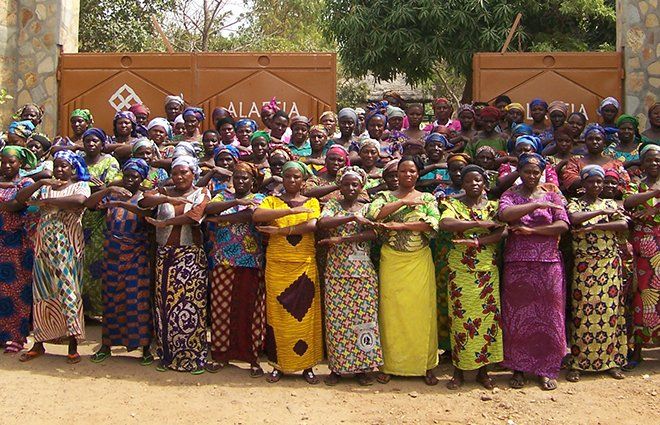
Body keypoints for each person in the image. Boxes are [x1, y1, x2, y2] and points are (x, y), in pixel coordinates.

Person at [366, 156, 441, 385]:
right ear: (396, 174)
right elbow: (374, 215)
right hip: (392, 260)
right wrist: (403, 204)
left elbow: (433, 223)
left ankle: (425, 365)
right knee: (391, 312)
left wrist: (400, 225)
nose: (408, 175)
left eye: (412, 171)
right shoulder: (384, 197)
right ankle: (389, 364)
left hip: (419, 259)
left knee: (421, 312)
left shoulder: (427, 198)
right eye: (403, 171)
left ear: (418, 174)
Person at [498, 153, 569, 391]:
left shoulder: (552, 195)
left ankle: (546, 369)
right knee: (518, 316)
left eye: (535, 172)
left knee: (549, 317)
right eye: (526, 171)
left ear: (541, 173)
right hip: (518, 263)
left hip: (548, 262)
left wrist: (533, 232)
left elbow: (563, 225)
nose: (531, 176)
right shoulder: (510, 195)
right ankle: (518, 367)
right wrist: (536, 205)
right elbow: (505, 215)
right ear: (519, 172)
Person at [15, 150, 91, 364]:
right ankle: (39, 343)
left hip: (68, 248)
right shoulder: (46, 187)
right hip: (44, 248)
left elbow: (79, 201)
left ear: (73, 168)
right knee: (42, 292)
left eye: (64, 166)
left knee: (70, 292)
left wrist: (50, 201)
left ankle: (73, 344)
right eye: (56, 166)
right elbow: (21, 199)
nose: (59, 169)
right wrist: (40, 183)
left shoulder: (80, 185)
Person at [252, 161, 323, 384]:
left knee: (305, 316)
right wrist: (291, 211)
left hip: (304, 266)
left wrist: (280, 230)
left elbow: (312, 226)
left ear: (303, 181)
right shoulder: (271, 201)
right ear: (281, 178)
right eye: (288, 177)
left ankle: (307, 365)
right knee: (278, 315)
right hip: (277, 266)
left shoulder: (312, 202)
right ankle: (278, 364)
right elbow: (256, 216)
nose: (292, 181)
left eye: (296, 177)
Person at [139, 155, 211, 373]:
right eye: (175, 173)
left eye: (184, 172)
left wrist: (166, 222)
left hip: (190, 258)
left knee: (192, 307)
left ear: (194, 173)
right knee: (165, 307)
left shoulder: (202, 193)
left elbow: (194, 216)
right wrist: (166, 200)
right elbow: (144, 201)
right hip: (165, 256)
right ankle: (167, 355)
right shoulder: (164, 192)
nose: (179, 177)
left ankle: (193, 358)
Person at [439, 164, 505, 390]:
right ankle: (458, 370)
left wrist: (478, 241)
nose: (473, 184)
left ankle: (483, 371)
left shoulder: (494, 207)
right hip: (460, 271)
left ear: (485, 184)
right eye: (468, 181)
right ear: (462, 184)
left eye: (478, 180)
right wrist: (478, 224)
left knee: (487, 321)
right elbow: (445, 224)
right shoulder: (452, 204)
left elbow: (502, 231)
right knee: (460, 321)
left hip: (487, 270)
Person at [317, 166, 383, 386]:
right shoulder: (333, 205)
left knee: (364, 322)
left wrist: (342, 240)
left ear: (362, 186)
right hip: (337, 272)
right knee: (337, 323)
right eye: (346, 184)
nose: (351, 188)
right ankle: (337, 368)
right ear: (340, 187)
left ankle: (363, 368)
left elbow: (374, 232)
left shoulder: (368, 207)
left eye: (355, 184)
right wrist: (350, 218)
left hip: (363, 273)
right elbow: (322, 223)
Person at [86, 158, 153, 365]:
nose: (130, 180)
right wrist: (108, 190)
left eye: (135, 176)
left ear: (142, 179)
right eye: (128, 175)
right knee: (112, 301)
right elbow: (89, 205)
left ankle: (145, 348)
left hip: (136, 256)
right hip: (112, 256)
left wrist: (121, 203)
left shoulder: (145, 197)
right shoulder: (113, 193)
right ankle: (107, 346)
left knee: (137, 301)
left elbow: (145, 215)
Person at [565, 165, 628, 381]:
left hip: (609, 265)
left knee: (609, 313)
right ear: (583, 183)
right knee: (582, 313)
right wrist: (602, 215)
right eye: (591, 181)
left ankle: (611, 361)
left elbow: (622, 224)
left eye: (599, 182)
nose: (596, 185)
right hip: (584, 266)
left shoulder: (611, 203)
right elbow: (573, 220)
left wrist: (592, 228)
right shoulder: (575, 203)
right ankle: (578, 363)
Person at [205, 162, 266, 377]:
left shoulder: (261, 199)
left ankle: (252, 357)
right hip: (223, 260)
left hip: (251, 261)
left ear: (253, 181)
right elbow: (207, 210)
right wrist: (238, 202)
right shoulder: (222, 196)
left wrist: (221, 219)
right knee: (221, 308)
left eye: (245, 178)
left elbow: (250, 216)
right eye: (237, 177)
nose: (240, 181)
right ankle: (220, 355)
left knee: (250, 310)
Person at [623, 144, 659, 369]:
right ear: (642, 162)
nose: (654, 164)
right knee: (640, 293)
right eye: (650, 160)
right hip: (641, 247)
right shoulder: (635, 183)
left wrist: (652, 211)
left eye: (658, 160)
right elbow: (628, 203)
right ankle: (637, 350)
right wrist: (655, 193)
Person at [80, 128, 121, 318]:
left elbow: (110, 186)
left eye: (95, 141)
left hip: (100, 218)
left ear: (102, 143)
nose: (91, 144)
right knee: (81, 263)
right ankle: (84, 311)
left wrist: (98, 187)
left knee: (98, 263)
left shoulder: (110, 161)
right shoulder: (78, 161)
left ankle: (99, 311)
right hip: (78, 218)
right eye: (87, 141)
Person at [0, 146, 36, 353]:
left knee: (15, 291)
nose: (6, 165)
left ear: (20, 163)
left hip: (16, 243)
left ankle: (16, 336)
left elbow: (15, 204)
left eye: (11, 162)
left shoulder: (26, 183)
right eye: (3, 161)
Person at [561, 124, 630, 196]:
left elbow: (625, 185)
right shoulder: (575, 161)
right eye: (590, 139)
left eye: (598, 139)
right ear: (585, 142)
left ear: (604, 143)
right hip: (581, 203)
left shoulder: (616, 163)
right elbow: (569, 181)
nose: (594, 142)